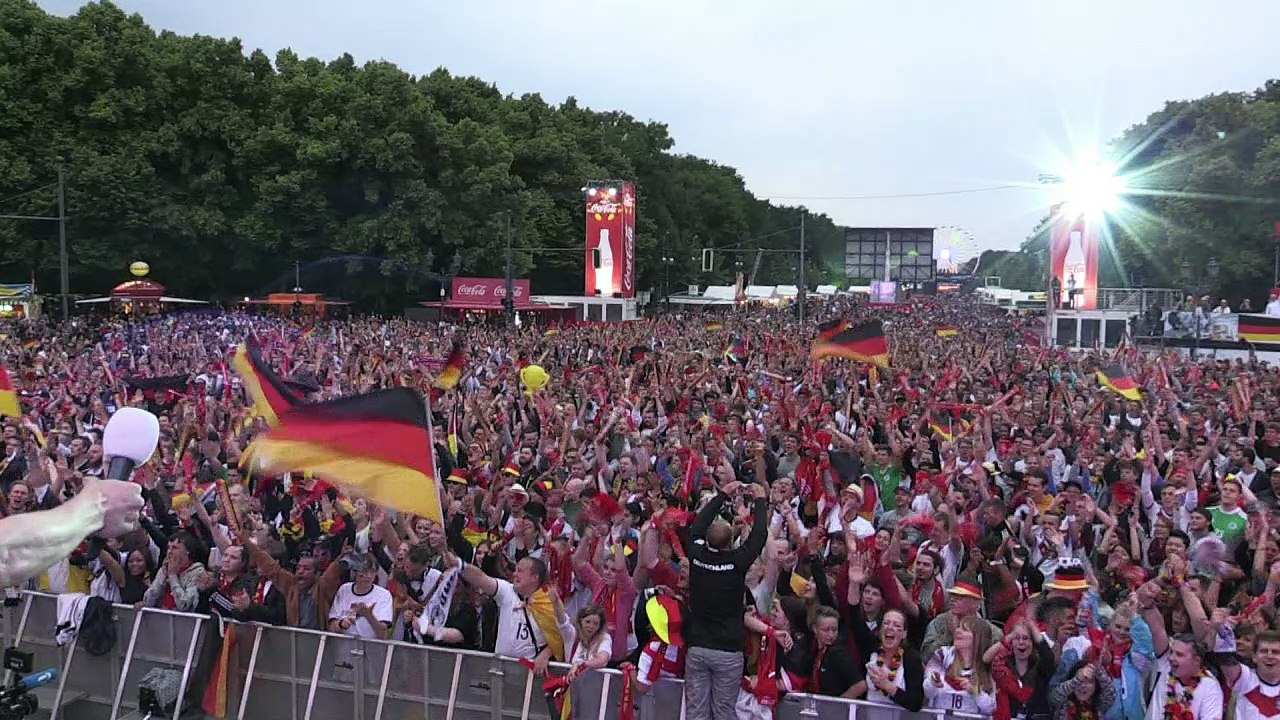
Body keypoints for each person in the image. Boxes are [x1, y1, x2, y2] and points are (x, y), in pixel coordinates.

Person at [684, 479, 768, 720]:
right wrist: (760, 501)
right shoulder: (737, 562)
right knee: (724, 713)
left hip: (698, 648)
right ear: (731, 542)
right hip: (728, 652)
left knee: (696, 713)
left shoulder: (697, 555)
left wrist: (721, 495)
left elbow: (697, 526)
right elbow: (759, 536)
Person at [924, 615, 997, 714]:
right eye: (958, 627)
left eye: (965, 629)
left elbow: (991, 709)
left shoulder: (988, 666)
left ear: (978, 638)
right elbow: (927, 693)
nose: (957, 630)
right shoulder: (942, 655)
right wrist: (933, 683)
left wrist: (975, 692)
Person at [859, 608, 924, 714]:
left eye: (897, 625)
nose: (890, 627)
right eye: (886, 623)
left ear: (904, 634)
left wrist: (886, 685)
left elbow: (915, 703)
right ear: (880, 630)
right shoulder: (870, 652)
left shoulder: (912, 659)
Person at [328, 553, 392, 639]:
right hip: (344, 643)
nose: (368, 576)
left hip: (370, 645)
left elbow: (382, 634)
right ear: (355, 572)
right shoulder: (344, 589)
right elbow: (331, 626)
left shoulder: (383, 595)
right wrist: (341, 624)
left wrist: (369, 615)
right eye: (364, 571)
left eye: (372, 572)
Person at [1049, 661, 1117, 720]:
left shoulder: (1099, 705)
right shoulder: (1063, 703)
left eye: (1089, 681)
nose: (1083, 685)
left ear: (1096, 686)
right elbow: (1054, 696)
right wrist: (1077, 679)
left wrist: (1099, 671)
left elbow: (1110, 694)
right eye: (1080, 681)